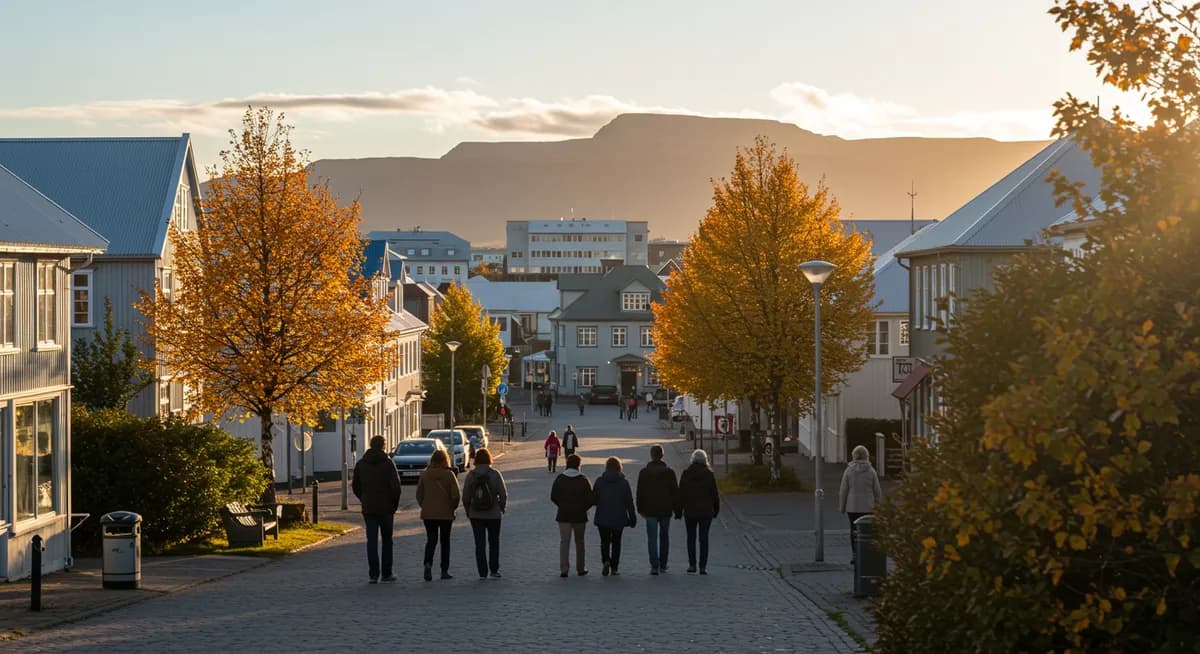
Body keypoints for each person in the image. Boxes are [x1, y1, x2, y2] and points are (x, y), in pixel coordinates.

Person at [351, 435, 402, 584]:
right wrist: (394, 504)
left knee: (371, 541)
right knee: (387, 540)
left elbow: (355, 486)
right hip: (386, 508)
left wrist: (364, 498)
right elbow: (396, 487)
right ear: (383, 446)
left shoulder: (361, 464)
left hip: (369, 508)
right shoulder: (388, 463)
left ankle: (373, 575)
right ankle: (387, 573)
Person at [462, 448, 508, 579]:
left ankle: (482, 572)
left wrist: (467, 510)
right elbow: (503, 493)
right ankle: (494, 570)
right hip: (493, 514)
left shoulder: (471, 475)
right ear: (489, 459)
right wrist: (502, 507)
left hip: (476, 515)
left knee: (479, 544)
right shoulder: (495, 474)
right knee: (494, 542)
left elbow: (465, 496)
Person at [416, 449, 461, 581]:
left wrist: (425, 506)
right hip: (446, 514)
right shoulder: (449, 475)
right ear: (444, 460)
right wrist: (452, 507)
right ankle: (444, 570)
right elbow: (456, 495)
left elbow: (419, 495)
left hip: (428, 514)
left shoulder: (425, 475)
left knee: (431, 540)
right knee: (445, 541)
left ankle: (428, 564)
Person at [676, 449, 719, 575]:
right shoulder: (709, 474)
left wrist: (678, 511)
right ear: (705, 460)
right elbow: (714, 494)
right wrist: (716, 509)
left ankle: (692, 565)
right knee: (704, 538)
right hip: (706, 511)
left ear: (692, 460)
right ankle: (703, 567)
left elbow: (681, 494)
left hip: (690, 511)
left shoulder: (686, 473)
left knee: (691, 538)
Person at [636, 444, 678, 575]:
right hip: (665, 509)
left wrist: (640, 508)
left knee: (652, 538)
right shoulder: (670, 472)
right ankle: (663, 564)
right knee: (664, 537)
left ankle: (654, 565)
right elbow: (675, 493)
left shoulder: (644, 473)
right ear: (662, 456)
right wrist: (677, 509)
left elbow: (640, 492)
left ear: (651, 455)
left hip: (650, 510)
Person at [839, 445, 884, 564]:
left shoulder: (849, 470)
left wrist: (842, 506)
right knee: (867, 531)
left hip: (852, 507)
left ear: (854, 455)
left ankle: (855, 554)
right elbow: (877, 490)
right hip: (868, 506)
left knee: (853, 530)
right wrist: (879, 505)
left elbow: (844, 490)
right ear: (866, 456)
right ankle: (865, 552)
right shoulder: (871, 471)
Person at [592, 456, 636, 576]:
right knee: (617, 542)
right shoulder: (623, 483)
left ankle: (606, 560)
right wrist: (633, 518)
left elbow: (593, 500)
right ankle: (614, 567)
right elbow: (629, 502)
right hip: (619, 518)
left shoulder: (599, 481)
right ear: (619, 468)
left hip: (602, 517)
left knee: (604, 541)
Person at [550, 454, 593, 577]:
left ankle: (564, 569)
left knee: (564, 542)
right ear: (579, 465)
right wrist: (583, 508)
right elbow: (590, 499)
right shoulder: (583, 479)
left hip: (563, 515)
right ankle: (581, 568)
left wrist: (562, 505)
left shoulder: (560, 479)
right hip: (580, 516)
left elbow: (553, 496)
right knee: (580, 542)